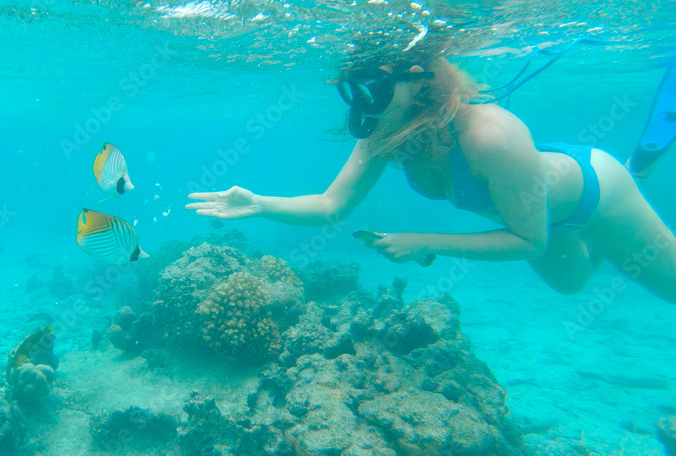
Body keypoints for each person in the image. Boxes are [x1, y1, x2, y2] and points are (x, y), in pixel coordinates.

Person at [186, 54, 676, 304]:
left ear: (422, 81)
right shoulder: (387, 130)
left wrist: (423, 240)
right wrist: (257, 204)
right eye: (360, 85)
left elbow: (529, 241)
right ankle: (608, 240)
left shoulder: (490, 135)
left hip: (596, 197)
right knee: (570, 286)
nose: (365, 100)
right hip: (542, 211)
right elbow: (331, 206)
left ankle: (636, 171)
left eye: (376, 85)